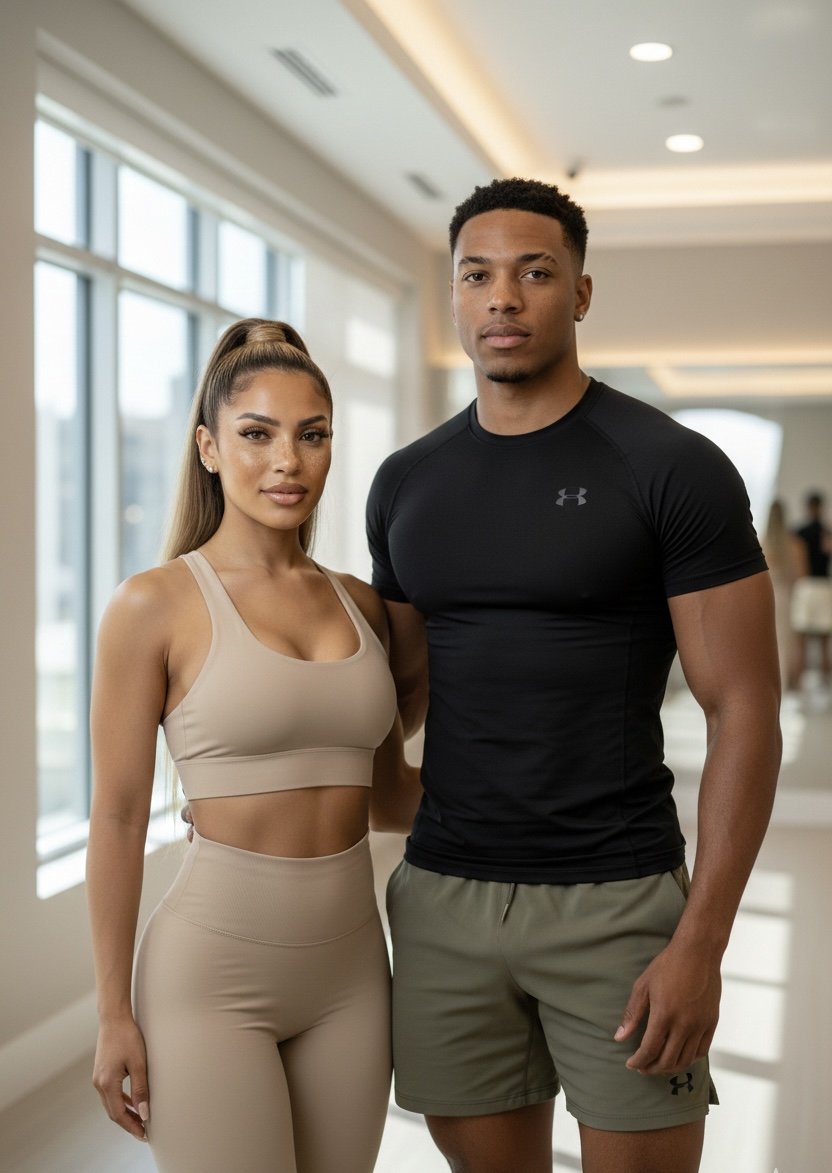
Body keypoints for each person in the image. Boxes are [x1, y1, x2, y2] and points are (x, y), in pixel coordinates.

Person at [366, 178, 782, 1173]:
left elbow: (746, 710)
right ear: (453, 300)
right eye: (478, 276)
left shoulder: (671, 466)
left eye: (533, 272)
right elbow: (392, 692)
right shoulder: (406, 483)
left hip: (617, 902)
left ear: (581, 293)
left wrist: (701, 942)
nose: (502, 297)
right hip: (445, 901)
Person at [87, 319, 420, 1173]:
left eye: (313, 435)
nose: (288, 461)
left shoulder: (362, 602)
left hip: (352, 970)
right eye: (256, 434)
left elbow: (389, 798)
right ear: (207, 446)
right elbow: (119, 817)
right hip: (210, 980)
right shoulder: (151, 604)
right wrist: (112, 1013)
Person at [762, 499, 809, 691]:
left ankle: (770, 682)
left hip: (766, 595)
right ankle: (787, 682)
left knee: (768, 639)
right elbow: (801, 574)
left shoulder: (761, 542)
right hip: (786, 595)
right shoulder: (795, 544)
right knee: (787, 640)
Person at [790, 490, 832, 687]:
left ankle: (798, 687)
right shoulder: (827, 532)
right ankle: (824, 684)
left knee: (802, 641)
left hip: (807, 586)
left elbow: (799, 565)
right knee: (824, 642)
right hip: (823, 586)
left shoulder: (800, 533)